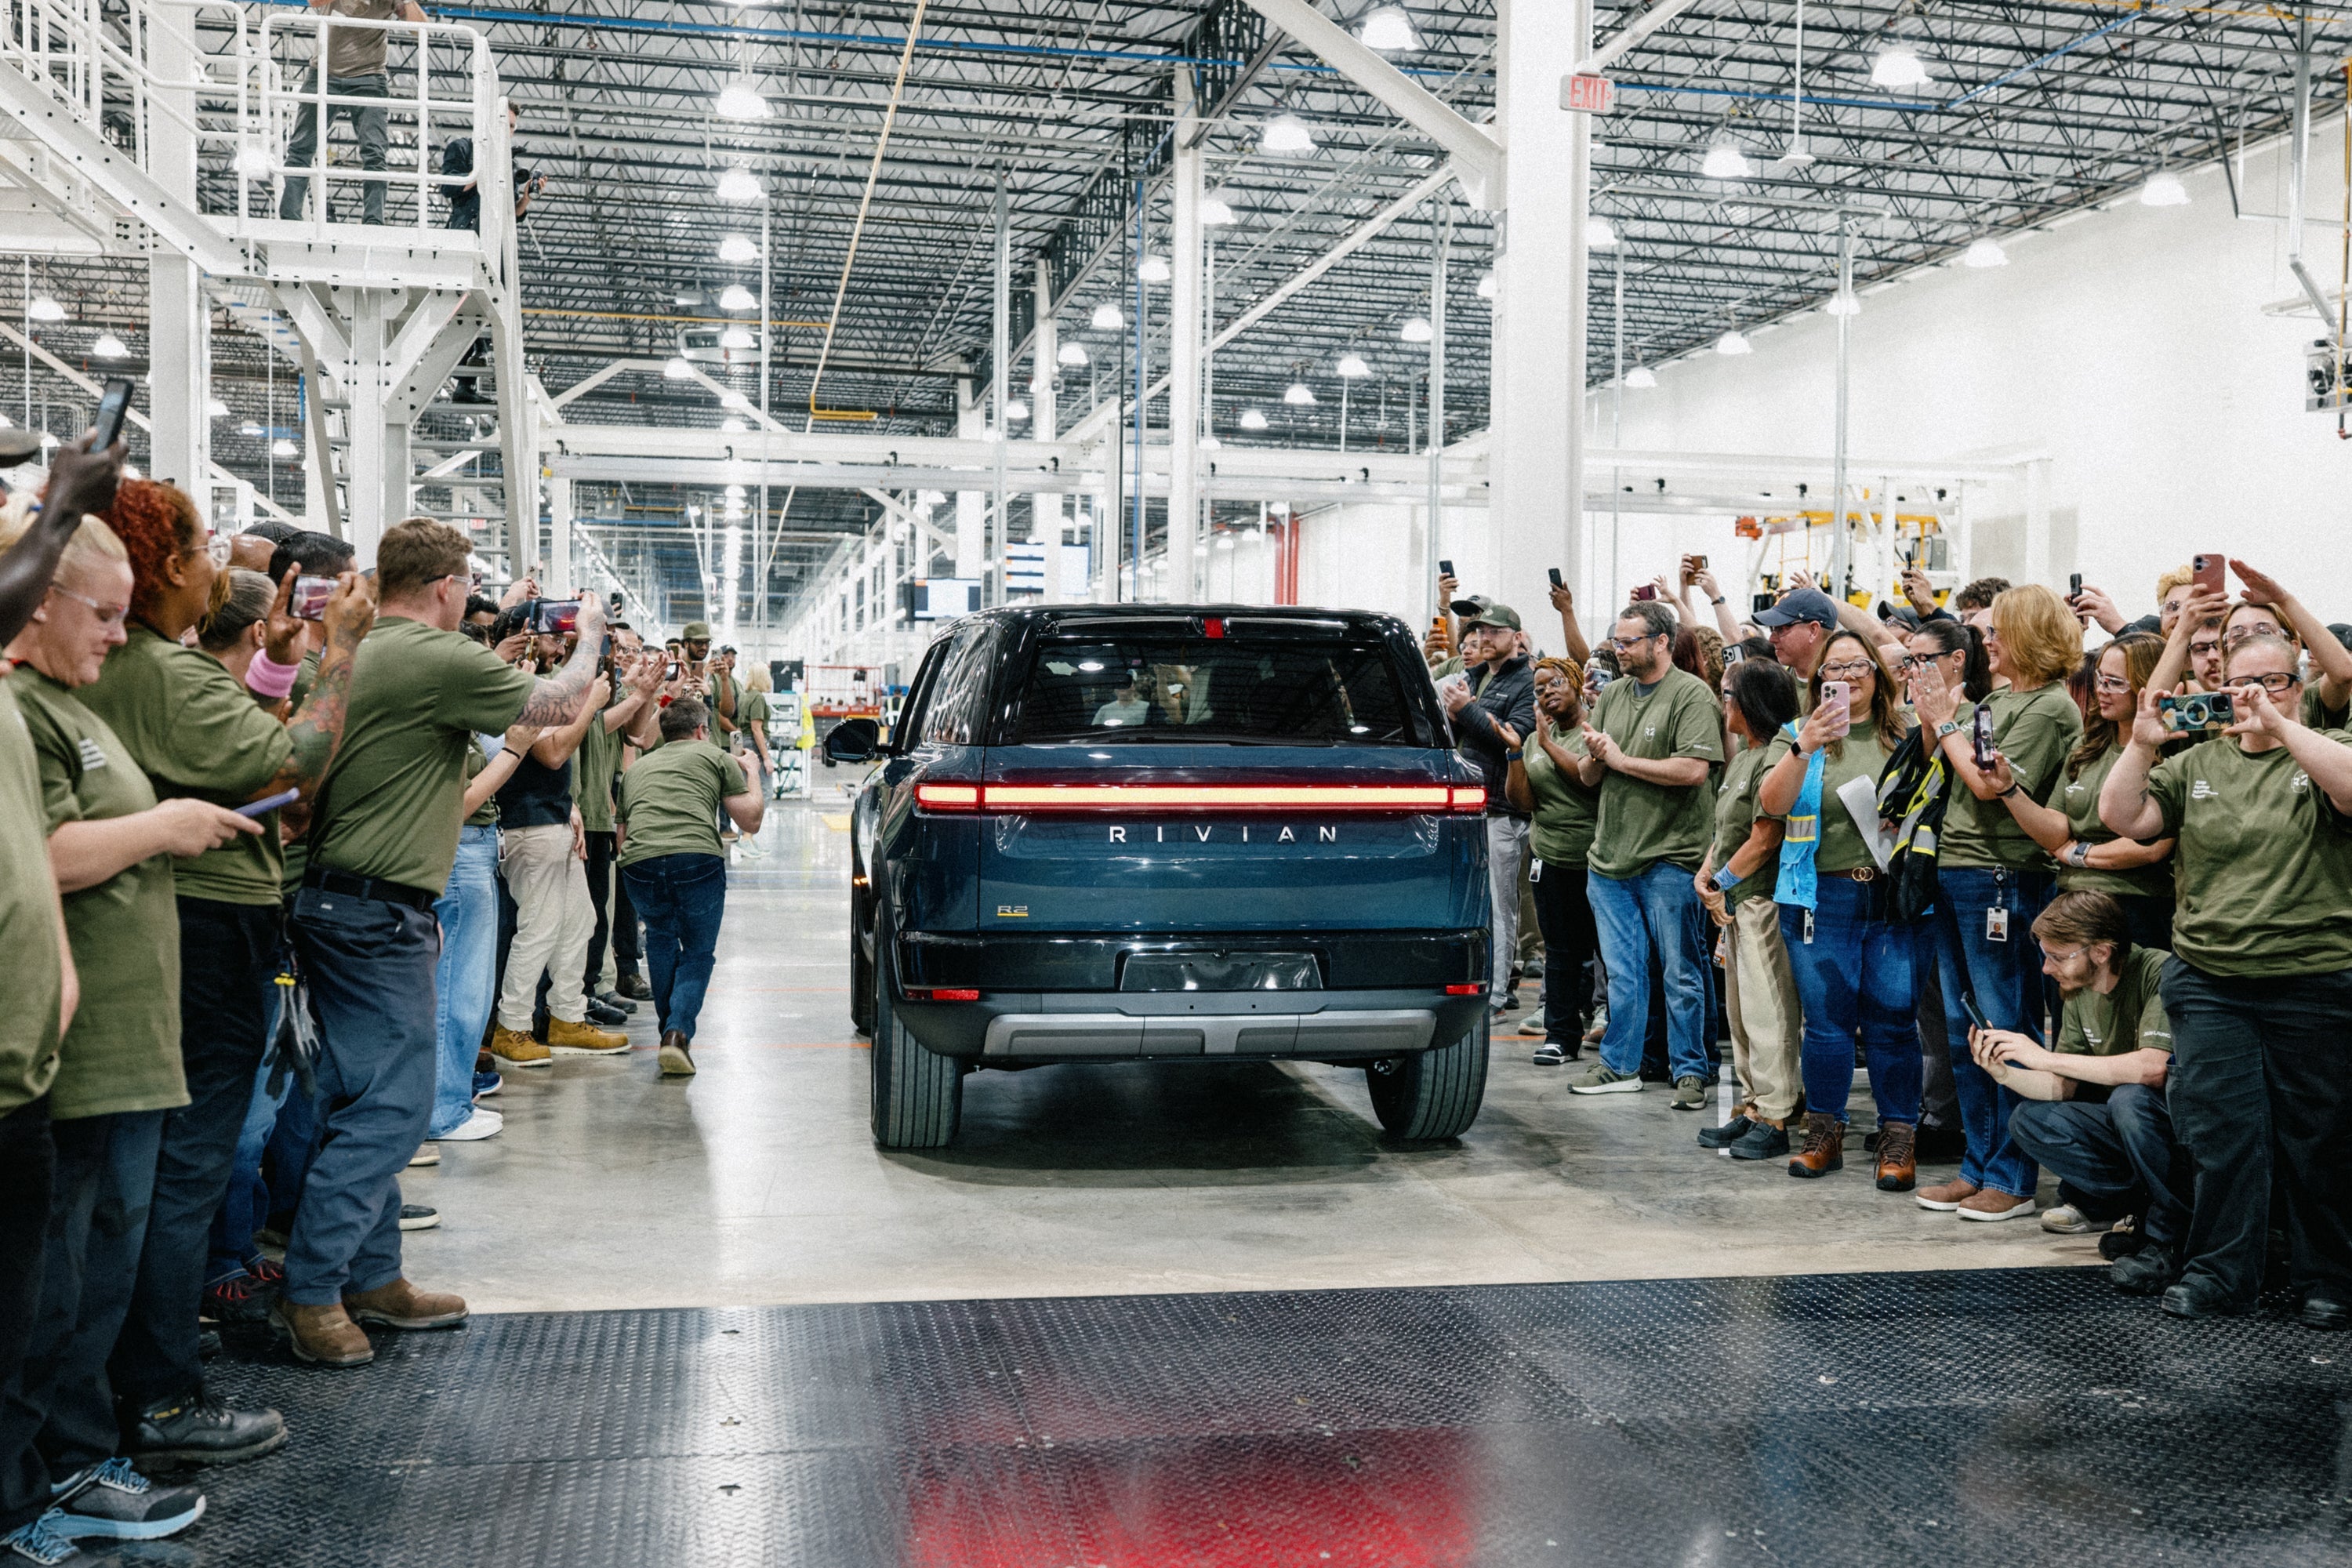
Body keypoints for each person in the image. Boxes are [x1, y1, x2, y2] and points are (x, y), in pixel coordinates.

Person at [75, 481, 372, 1465]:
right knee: (186, 1165)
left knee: (148, 1173)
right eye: (208, 555)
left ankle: (136, 1374)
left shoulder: (145, 671)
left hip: (178, 929)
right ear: (164, 567)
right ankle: (159, 1393)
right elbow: (294, 758)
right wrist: (337, 656)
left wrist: (279, 660)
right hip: (208, 930)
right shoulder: (162, 672)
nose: (225, 576)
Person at [271, 519, 604, 1370]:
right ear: (448, 587)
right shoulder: (430, 654)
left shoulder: (364, 654)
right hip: (377, 916)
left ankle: (373, 1273)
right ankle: (314, 1293)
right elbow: (558, 707)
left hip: (341, 903)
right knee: (390, 1111)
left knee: (356, 1099)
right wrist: (590, 636)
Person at [0, 506, 256, 1557]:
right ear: (36, 602)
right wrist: (164, 826)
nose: (120, 634)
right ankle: (52, 1472)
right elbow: (44, 856)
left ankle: (75, 1455)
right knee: (55, 1285)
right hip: (78, 1054)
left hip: (121, 1044)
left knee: (93, 1268)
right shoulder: (28, 709)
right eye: (103, 615)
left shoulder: (77, 702)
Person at [2100, 632, 2352, 1327]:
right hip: (2213, 980)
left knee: (2320, 1137)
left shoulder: (2324, 750)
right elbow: (2123, 818)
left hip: (2313, 979)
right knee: (2219, 1135)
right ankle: (2219, 1272)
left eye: (2273, 681)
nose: (2252, 696)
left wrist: (2282, 727)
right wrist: (2144, 742)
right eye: (2239, 684)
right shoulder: (2198, 763)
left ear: (2297, 686)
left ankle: (2330, 1277)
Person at [1905, 584, 2082, 1222]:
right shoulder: (2002, 698)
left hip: (2003, 874)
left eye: (1997, 631)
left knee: (2006, 1025)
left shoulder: (2049, 708)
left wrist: (1947, 719)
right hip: (1958, 870)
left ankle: (2011, 1172)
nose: (1986, 642)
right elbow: (1949, 765)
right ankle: (1979, 1163)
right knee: (1965, 1031)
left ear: (2029, 637)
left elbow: (1985, 783)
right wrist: (1936, 718)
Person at [1755, 629, 1925, 1188]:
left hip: (1890, 896)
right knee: (1825, 1025)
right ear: (1818, 677)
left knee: (1894, 1020)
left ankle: (1899, 1134)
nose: (1848, 678)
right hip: (1818, 895)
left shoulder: (1908, 733)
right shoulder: (1795, 735)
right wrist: (1804, 746)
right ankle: (1823, 1130)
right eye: (1836, 669)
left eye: (1859, 668)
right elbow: (1772, 806)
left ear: (1879, 675)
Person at [1982, 891, 2188, 1295]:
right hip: (2131, 1126)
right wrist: (2004, 1073)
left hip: (2180, 1125)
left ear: (2101, 951)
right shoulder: (2078, 990)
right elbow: (2063, 1086)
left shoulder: (2157, 971)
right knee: (2030, 1119)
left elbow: (2152, 1068)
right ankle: (2136, 1212)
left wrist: (2041, 1056)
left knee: (2129, 1099)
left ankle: (2173, 1237)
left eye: (2058, 956)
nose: (2047, 968)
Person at [1569, 599, 1725, 1105]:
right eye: (1616, 640)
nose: (1619, 650)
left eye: (1629, 641)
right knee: (1624, 974)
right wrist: (1595, 760)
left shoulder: (1692, 695)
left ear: (1661, 641)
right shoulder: (1611, 695)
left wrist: (1620, 758)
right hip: (1610, 861)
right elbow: (1590, 775)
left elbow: (1693, 771)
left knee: (1681, 973)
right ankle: (1619, 1065)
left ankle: (1691, 1071)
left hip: (1670, 859)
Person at [1984, 633, 2174, 953]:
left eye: (2116, 683)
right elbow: (2056, 831)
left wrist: (2078, 855)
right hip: (2071, 900)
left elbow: (2151, 848)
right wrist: (2008, 789)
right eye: (2100, 677)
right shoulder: (2085, 748)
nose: (2101, 689)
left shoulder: (2169, 753)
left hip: (2137, 904)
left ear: (2145, 688)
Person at [485, 648, 628, 1070]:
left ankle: (567, 1016)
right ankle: (512, 1026)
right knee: (539, 927)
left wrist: (568, 805)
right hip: (528, 827)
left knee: (579, 918)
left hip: (552, 819)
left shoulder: (541, 693)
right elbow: (552, 753)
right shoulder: (526, 695)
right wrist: (591, 706)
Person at [617, 697, 764, 1077]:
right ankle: (677, 1033)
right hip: (695, 859)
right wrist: (751, 771)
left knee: (662, 941)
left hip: (639, 863)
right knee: (698, 952)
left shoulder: (637, 769)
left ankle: (672, 1035)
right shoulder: (715, 757)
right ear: (702, 731)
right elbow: (750, 821)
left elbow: (623, 836)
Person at [1694, 657, 1800, 1160]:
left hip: (1760, 900)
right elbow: (1726, 831)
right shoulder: (1741, 758)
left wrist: (1721, 879)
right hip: (1733, 901)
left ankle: (1777, 1115)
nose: (1723, 704)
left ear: (1752, 703)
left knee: (1768, 1014)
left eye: (1729, 694)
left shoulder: (1773, 757)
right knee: (1738, 1014)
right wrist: (1707, 870)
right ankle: (1753, 1106)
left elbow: (1765, 838)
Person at [1498, 658, 1600, 1066]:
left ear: (1575, 683)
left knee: (1604, 950)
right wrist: (1515, 754)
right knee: (1560, 950)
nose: (1547, 692)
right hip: (1548, 855)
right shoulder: (1538, 737)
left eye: (1555, 683)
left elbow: (1585, 779)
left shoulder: (1592, 731)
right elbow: (1523, 801)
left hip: (1594, 856)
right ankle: (1561, 1036)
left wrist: (1546, 742)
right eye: (1539, 689)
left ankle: (1613, 1030)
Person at [1439, 603, 1537, 1018]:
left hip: (1502, 809)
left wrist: (1468, 710)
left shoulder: (1527, 683)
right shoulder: (1474, 676)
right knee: (1473, 904)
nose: (1484, 638)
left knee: (1501, 905)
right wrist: (1452, 713)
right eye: (1480, 630)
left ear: (1516, 637)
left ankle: (1498, 990)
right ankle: (1484, 982)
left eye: (1495, 631)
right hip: (1469, 806)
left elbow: (1516, 741)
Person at [278, 0, 427, 227]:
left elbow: (421, 30)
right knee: (301, 147)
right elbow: (314, 1)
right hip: (323, 72)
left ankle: (374, 221)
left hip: (369, 76)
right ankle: (289, 217)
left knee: (374, 151)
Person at [575, 643, 660, 1011]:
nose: (624, 653)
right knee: (580, 913)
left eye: (629, 648)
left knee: (599, 908)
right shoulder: (580, 687)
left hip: (600, 810)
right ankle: (581, 991)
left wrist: (646, 694)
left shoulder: (613, 689)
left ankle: (595, 986)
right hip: (582, 807)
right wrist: (639, 693)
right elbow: (596, 723)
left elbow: (637, 734)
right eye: (617, 646)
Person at [439, 102, 543, 234]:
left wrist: (526, 199)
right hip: (465, 230)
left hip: (495, 236)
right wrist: (484, 169)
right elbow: (448, 187)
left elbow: (511, 215)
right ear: (490, 123)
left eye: (511, 126)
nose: (507, 130)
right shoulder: (463, 148)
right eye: (503, 124)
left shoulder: (510, 165)